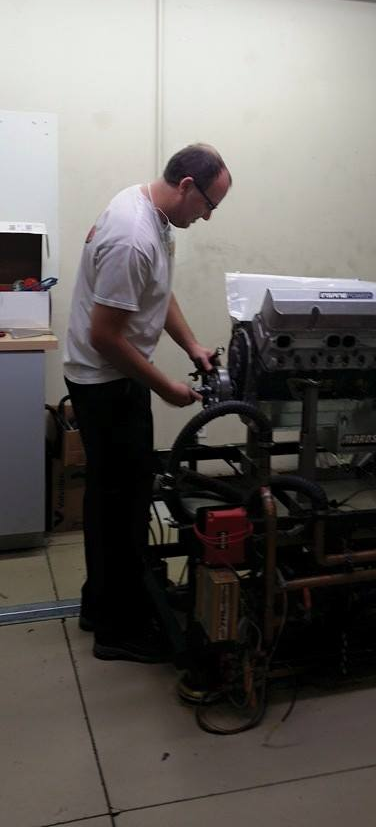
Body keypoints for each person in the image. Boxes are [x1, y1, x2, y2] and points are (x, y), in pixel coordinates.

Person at [64, 143, 231, 663]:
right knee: (123, 508)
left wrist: (192, 345)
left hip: (114, 376)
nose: (207, 217)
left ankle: (99, 606)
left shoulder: (155, 216)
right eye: (208, 205)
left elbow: (158, 292)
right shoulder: (133, 236)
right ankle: (118, 632)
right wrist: (164, 387)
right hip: (106, 382)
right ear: (186, 185)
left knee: (113, 498)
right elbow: (105, 336)